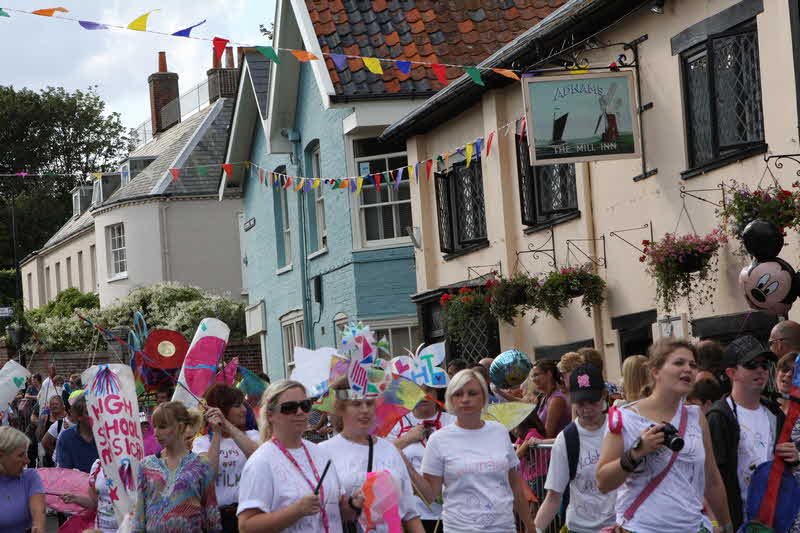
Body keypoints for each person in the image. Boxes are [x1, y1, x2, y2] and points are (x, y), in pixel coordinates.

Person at [596, 339, 732, 533]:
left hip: (692, 527)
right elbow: (603, 483)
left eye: (693, 365)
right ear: (656, 371)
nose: (688, 369)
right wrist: (637, 452)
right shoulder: (624, 418)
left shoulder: (696, 416)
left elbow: (711, 480)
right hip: (641, 528)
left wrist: (726, 525)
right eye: (679, 363)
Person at [418, 368, 534, 533]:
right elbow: (430, 494)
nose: (465, 399)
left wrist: (530, 527)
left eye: (472, 393)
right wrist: (407, 467)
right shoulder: (438, 439)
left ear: (484, 398)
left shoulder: (500, 431)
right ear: (450, 399)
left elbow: (515, 487)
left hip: (504, 527)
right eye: (458, 394)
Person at [707, 336, 800, 530]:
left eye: (764, 365)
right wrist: (721, 524)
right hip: (737, 522)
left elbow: (781, 471)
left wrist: (793, 459)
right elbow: (712, 479)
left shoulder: (775, 413)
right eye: (751, 365)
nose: (761, 370)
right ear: (731, 372)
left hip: (771, 523)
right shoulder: (719, 416)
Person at [237, 380, 348, 533]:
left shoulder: (320, 453)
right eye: (289, 408)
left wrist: (353, 505)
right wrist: (297, 510)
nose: (300, 412)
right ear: (270, 415)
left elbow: (339, 511)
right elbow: (246, 526)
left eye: (305, 405)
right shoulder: (261, 462)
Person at [320, 384, 424, 533]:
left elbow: (410, 513)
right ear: (341, 408)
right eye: (356, 404)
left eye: (369, 403)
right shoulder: (324, 452)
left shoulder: (390, 450)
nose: (365, 410)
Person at [535, 365, 616, 533]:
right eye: (580, 403)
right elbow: (553, 497)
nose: (587, 409)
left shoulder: (620, 429)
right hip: (580, 528)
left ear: (603, 395)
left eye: (592, 401)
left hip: (619, 526)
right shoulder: (566, 439)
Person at [134, 401, 221, 533]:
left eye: (162, 427)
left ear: (180, 427)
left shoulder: (201, 464)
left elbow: (211, 514)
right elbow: (139, 515)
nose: (156, 433)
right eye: (155, 426)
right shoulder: (146, 465)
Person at [193, 384, 259, 533]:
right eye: (237, 405)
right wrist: (217, 433)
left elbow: (256, 457)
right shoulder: (202, 443)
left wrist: (227, 425)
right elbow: (209, 475)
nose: (244, 410)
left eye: (243, 404)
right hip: (219, 518)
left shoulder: (253, 436)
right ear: (222, 409)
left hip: (250, 513)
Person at [0, 426, 46, 532]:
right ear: (1, 456)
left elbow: (39, 513)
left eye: (26, 453)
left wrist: (38, 528)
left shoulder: (30, 477)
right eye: (21, 455)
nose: (27, 461)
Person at [60, 458, 119, 533]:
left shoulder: (131, 463)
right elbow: (93, 503)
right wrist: (75, 498)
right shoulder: (98, 466)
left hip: (127, 527)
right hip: (101, 528)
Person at [56, 391, 99, 472]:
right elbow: (64, 472)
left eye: (97, 410)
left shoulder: (107, 436)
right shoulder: (66, 438)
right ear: (79, 416)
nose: (95, 415)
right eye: (89, 412)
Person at [512, 409, 548, 501]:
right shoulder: (522, 437)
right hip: (529, 477)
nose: (513, 431)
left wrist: (518, 447)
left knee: (536, 503)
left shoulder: (532, 433)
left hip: (539, 477)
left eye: (515, 426)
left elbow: (517, 455)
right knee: (531, 504)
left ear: (523, 424)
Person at [531, 360, 570, 438]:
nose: (533, 379)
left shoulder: (556, 400)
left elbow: (548, 435)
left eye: (536, 375)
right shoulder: (544, 397)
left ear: (549, 374)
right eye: (532, 376)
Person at [37, 394, 69, 467]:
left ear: (62, 405)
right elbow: (39, 437)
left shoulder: (68, 418)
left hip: (64, 455)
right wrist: (41, 425)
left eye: (56, 404)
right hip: (48, 455)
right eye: (52, 404)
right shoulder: (45, 418)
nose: (54, 406)